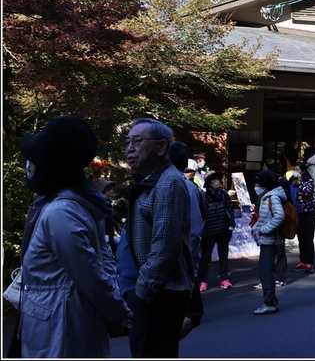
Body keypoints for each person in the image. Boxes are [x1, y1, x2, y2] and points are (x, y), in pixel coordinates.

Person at [15, 116, 132, 357]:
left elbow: (91, 275)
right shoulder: (79, 204)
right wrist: (114, 311)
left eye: (34, 160)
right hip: (65, 322)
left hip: (60, 329)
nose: (29, 166)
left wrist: (116, 314)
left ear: (48, 165)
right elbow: (102, 264)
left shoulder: (61, 212)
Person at [116, 118, 193, 357]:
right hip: (147, 293)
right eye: (128, 142)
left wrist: (143, 293)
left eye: (138, 141)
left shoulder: (168, 183)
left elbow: (165, 247)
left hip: (156, 295)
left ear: (161, 147)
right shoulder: (151, 181)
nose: (130, 148)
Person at [168, 141, 206, 341]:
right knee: (192, 310)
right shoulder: (188, 188)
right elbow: (194, 230)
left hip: (154, 262)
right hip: (180, 260)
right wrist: (193, 263)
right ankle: (163, 345)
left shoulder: (149, 183)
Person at [252, 169, 286, 314]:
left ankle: (270, 303)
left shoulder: (273, 197)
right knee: (265, 272)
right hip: (267, 239)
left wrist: (262, 230)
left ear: (264, 185)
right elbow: (265, 218)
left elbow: (279, 216)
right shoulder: (267, 197)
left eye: (257, 184)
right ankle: (270, 302)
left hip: (270, 240)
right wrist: (256, 228)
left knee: (266, 272)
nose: (256, 187)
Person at [197, 172, 234, 292]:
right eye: (213, 180)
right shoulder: (203, 196)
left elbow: (230, 209)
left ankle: (224, 278)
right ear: (208, 183)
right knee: (205, 258)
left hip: (223, 230)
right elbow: (200, 213)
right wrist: (201, 230)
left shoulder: (224, 195)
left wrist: (231, 224)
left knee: (223, 256)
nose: (216, 182)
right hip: (208, 231)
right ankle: (202, 280)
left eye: (217, 179)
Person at [290, 162, 315, 273]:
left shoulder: (309, 181)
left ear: (303, 171)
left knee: (308, 238)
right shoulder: (292, 181)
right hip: (297, 212)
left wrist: (300, 183)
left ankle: (309, 262)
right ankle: (302, 261)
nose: (295, 172)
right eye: (295, 170)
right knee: (300, 238)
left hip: (308, 212)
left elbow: (307, 192)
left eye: (298, 170)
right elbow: (292, 193)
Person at [93, 177, 120, 256]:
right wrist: (111, 239)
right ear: (100, 192)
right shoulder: (97, 210)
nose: (112, 191)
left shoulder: (108, 208)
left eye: (111, 189)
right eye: (108, 189)